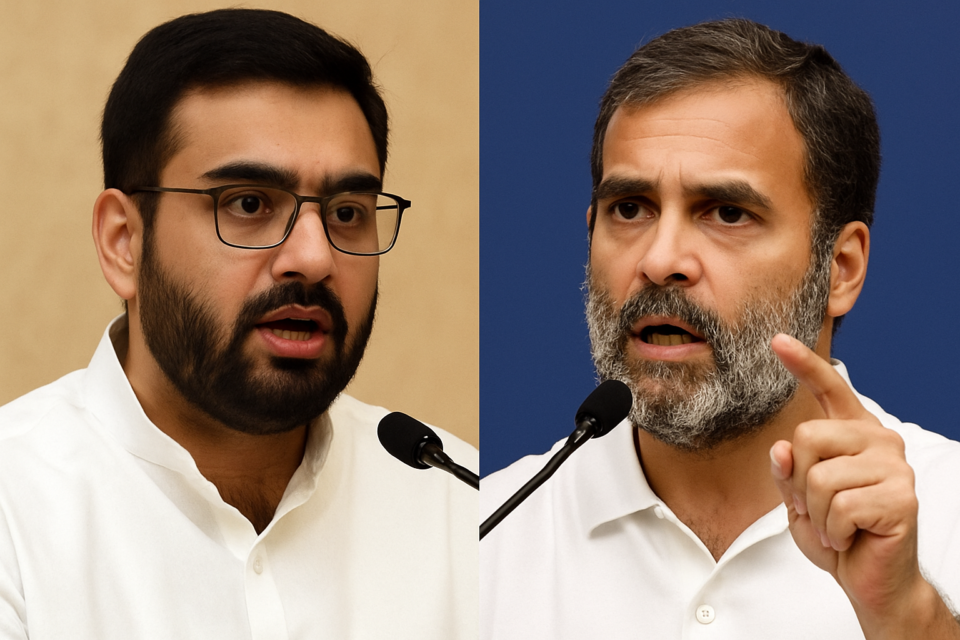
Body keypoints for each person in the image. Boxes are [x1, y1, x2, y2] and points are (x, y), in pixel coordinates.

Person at [0, 9, 477, 639]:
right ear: (124, 243)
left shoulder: (461, 504)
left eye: (347, 212)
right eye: (248, 204)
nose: (315, 257)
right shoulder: (15, 508)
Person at [481, 18, 960, 639]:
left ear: (840, 269)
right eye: (630, 208)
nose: (660, 260)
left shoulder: (948, 515)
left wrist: (908, 617)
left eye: (727, 213)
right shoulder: (489, 539)